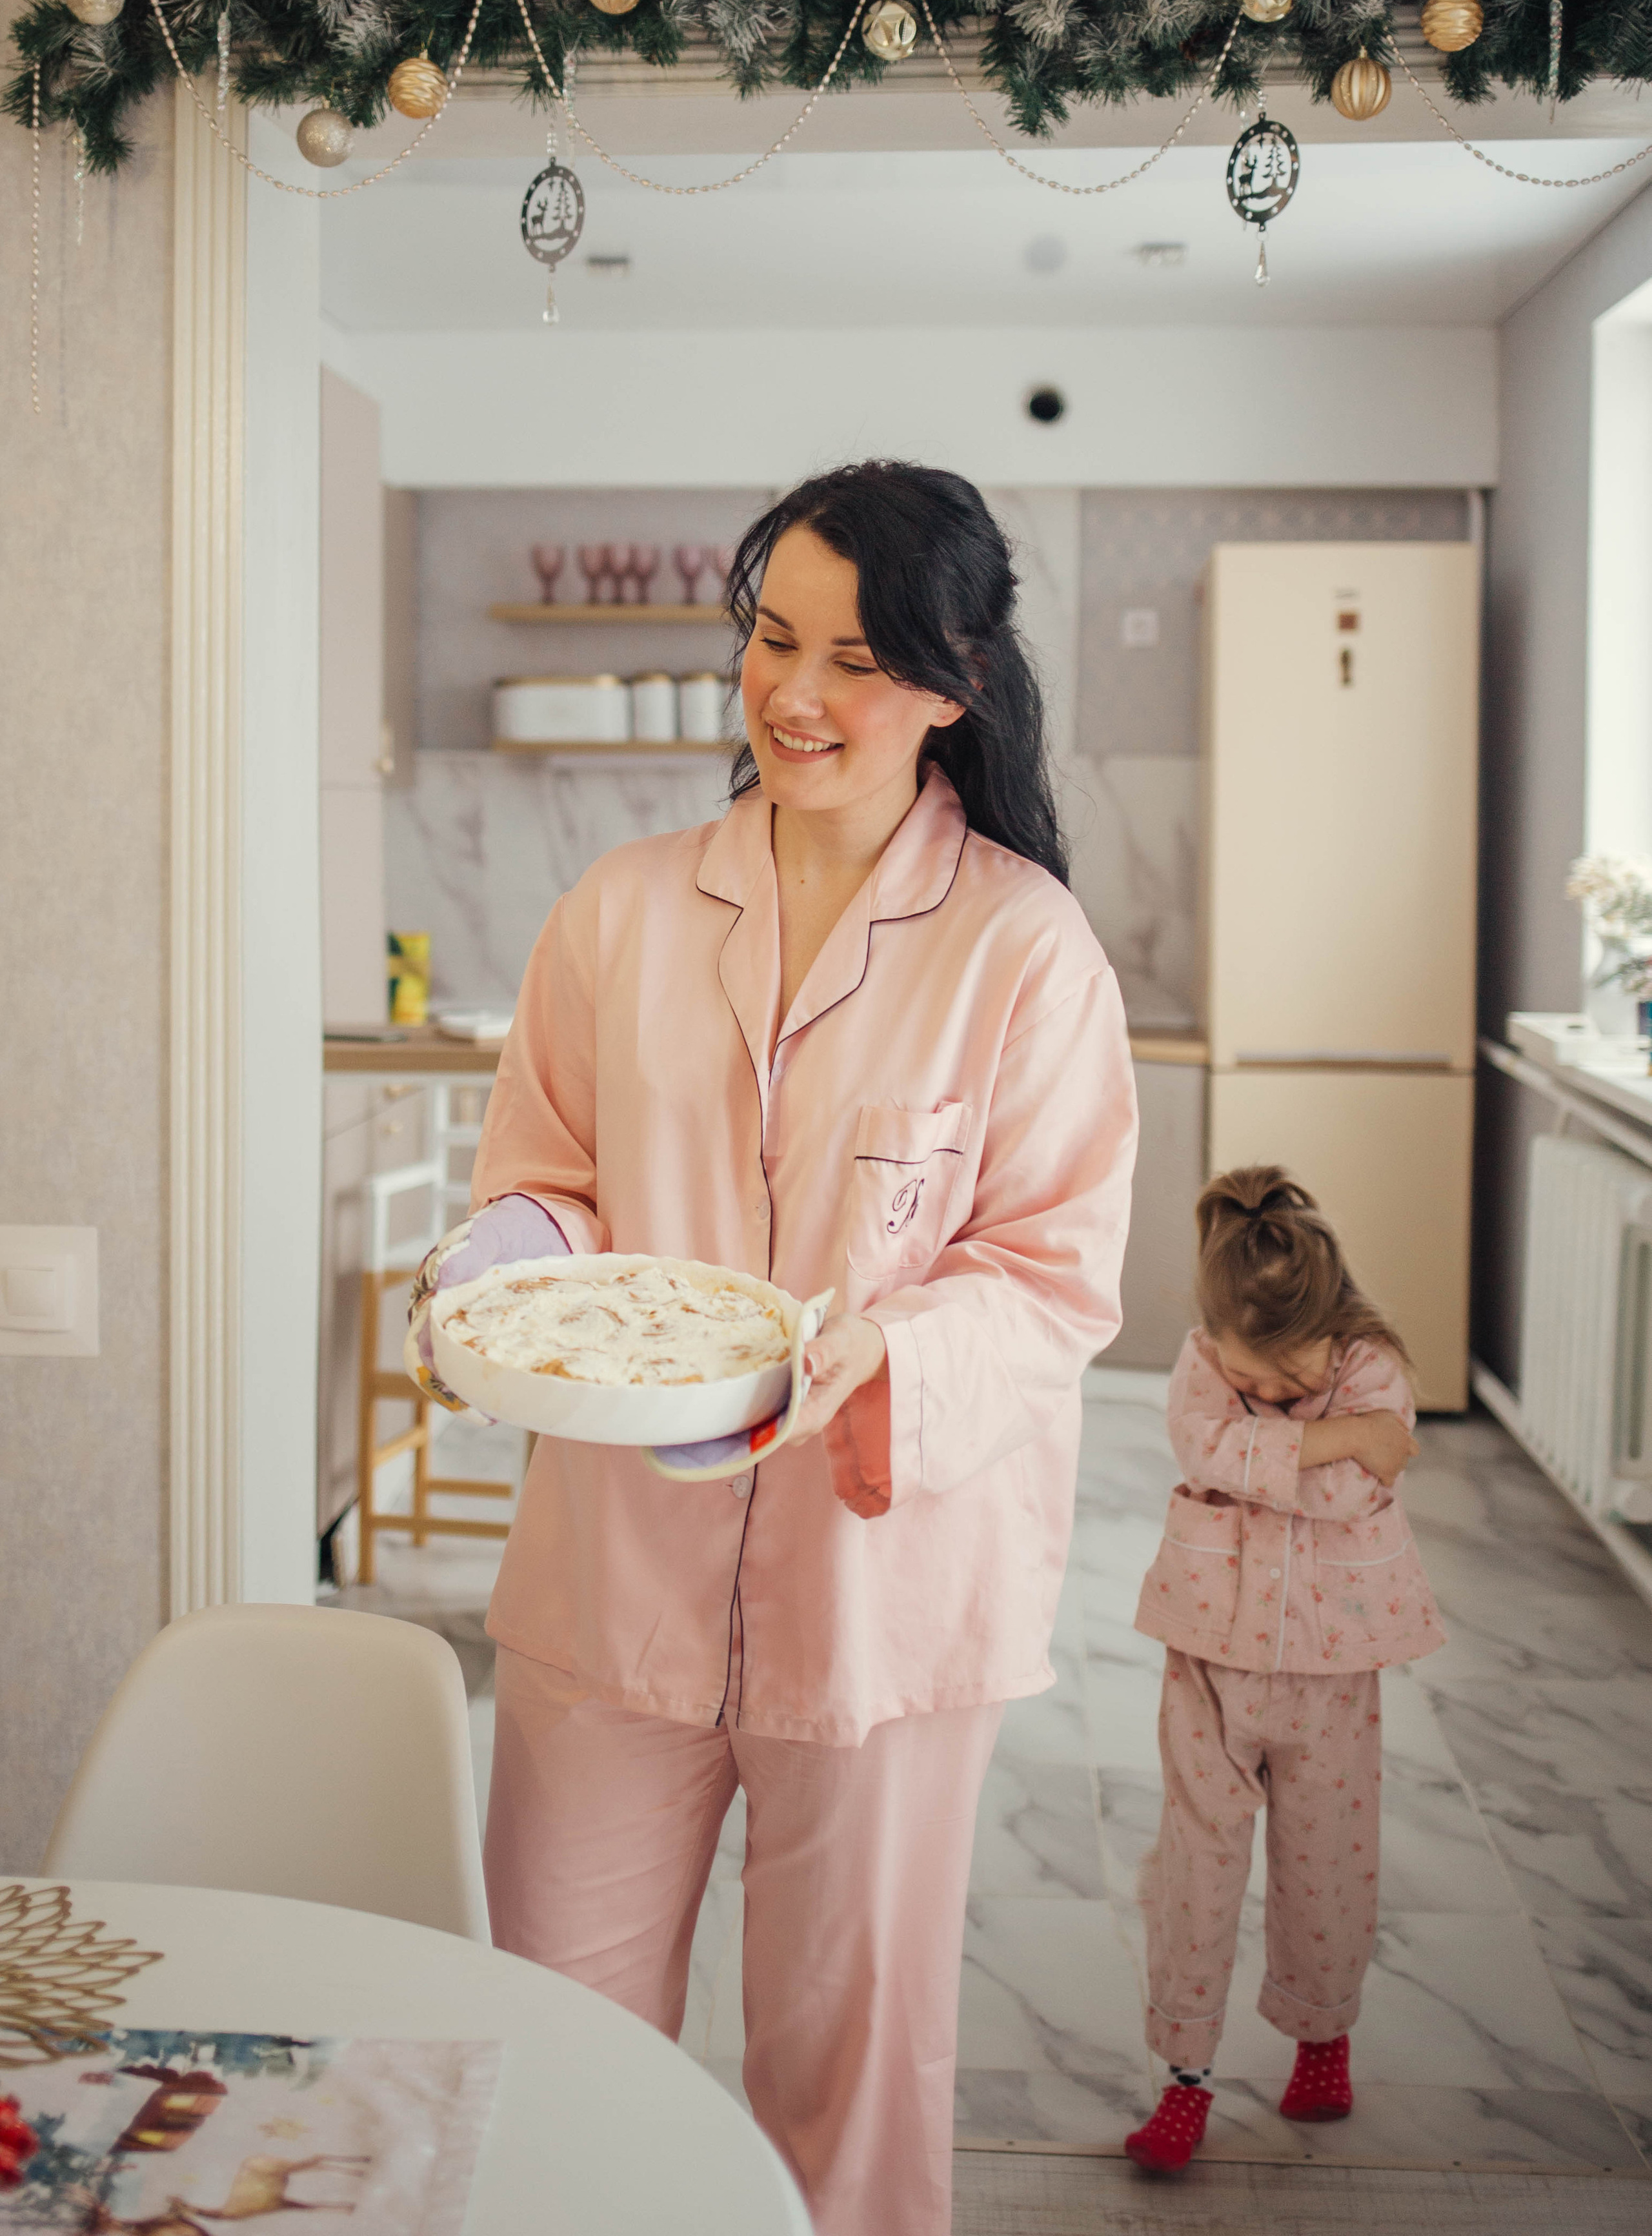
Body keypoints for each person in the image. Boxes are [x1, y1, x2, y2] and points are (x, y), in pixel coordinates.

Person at [410, 462, 1138, 2236]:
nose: (795, 695)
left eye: (858, 657)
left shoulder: (1025, 952)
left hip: (886, 1589)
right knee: (557, 2031)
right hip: (613, 1583)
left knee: (851, 2084)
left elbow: (1051, 1274)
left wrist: (876, 1353)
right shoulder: (627, 907)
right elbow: (556, 1177)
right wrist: (505, 1251)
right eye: (770, 638)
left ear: (956, 679)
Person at [1123, 1166, 1444, 2174]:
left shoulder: (1376, 1361)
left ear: (1337, 1330)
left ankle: (1322, 2037)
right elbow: (1206, 1444)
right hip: (1209, 1656)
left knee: (1327, 1864)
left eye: (1289, 1383)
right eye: (1245, 1380)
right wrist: (1334, 1432)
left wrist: (1272, 1449)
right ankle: (1184, 2075)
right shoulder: (1207, 1357)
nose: (1262, 1396)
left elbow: (1350, 1496)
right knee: (1196, 1869)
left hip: (1333, 1668)